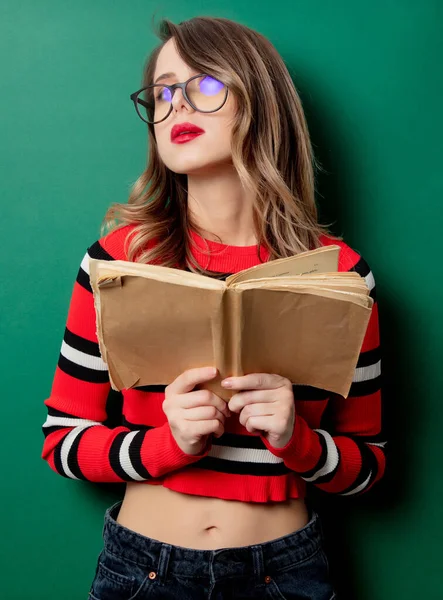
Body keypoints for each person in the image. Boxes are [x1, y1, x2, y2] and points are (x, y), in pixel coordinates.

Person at [41, 15, 386, 600]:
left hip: (285, 574)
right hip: (142, 572)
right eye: (163, 92)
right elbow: (63, 442)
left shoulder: (341, 275)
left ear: (260, 99)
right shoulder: (119, 261)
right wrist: (166, 443)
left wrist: (295, 439)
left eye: (202, 86)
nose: (176, 106)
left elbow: (367, 466)